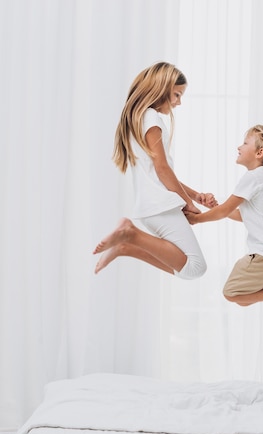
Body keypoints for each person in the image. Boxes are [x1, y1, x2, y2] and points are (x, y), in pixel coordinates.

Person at [93, 62, 217, 278]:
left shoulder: (138, 118)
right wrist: (188, 203)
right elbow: (162, 168)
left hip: (150, 206)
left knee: (186, 268)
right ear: (161, 88)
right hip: (160, 206)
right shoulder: (151, 118)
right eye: (177, 95)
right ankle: (129, 234)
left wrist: (195, 196)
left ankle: (127, 247)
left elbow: (160, 171)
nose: (179, 102)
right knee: (196, 267)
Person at [185, 124, 263, 324]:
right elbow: (242, 215)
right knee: (239, 293)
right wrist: (214, 207)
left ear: (260, 152)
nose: (239, 147)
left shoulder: (254, 176)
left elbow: (226, 210)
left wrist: (196, 219)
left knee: (232, 292)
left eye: (245, 143)